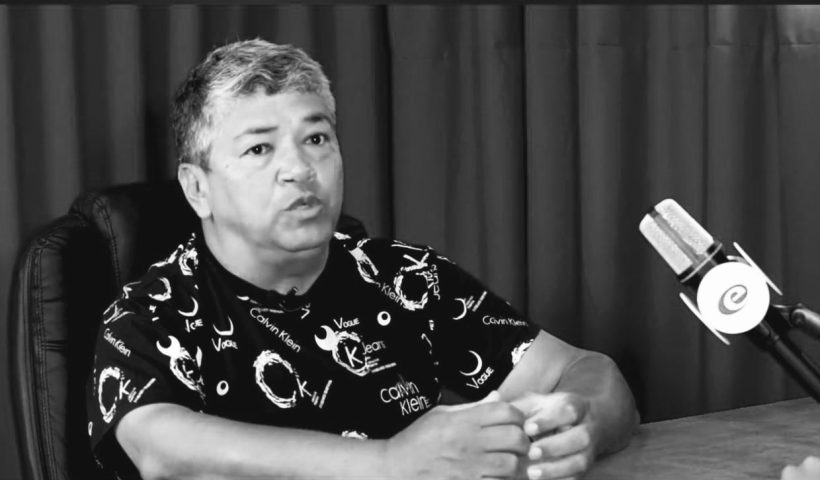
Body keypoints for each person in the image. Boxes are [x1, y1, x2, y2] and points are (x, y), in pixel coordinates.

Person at [86, 38, 639, 480]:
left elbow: (586, 371)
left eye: (317, 139)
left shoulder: (404, 276)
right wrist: (389, 464)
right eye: (259, 148)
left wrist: (582, 424)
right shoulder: (149, 313)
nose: (299, 169)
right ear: (197, 188)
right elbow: (163, 450)